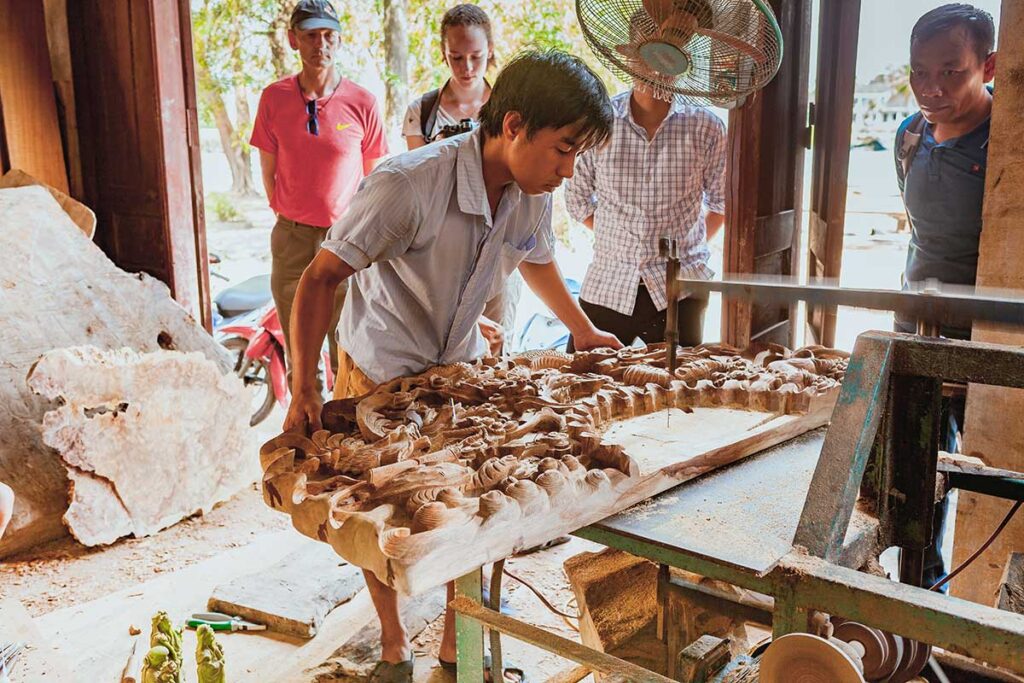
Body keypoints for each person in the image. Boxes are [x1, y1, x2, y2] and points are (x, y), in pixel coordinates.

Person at [284, 50, 619, 683]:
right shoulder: (410, 183)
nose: (569, 170)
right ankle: (392, 644)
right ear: (514, 124)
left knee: (468, 506)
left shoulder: (529, 193)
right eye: (564, 149)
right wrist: (305, 386)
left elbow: (536, 259)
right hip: (379, 371)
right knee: (375, 511)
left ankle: (455, 644)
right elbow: (319, 277)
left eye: (578, 155)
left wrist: (584, 332)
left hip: (457, 376)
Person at [894, 3, 997, 590]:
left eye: (950, 72)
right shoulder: (909, 136)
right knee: (915, 463)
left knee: (985, 469)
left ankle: (976, 590)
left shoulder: (1005, 142)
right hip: (918, 325)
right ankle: (919, 587)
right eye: (919, 72)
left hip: (988, 334)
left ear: (988, 66)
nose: (931, 88)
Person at [250, 0, 388, 386]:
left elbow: (372, 180)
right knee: (299, 345)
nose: (320, 44)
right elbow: (268, 170)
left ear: (339, 41)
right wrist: (287, 212)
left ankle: (344, 433)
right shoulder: (274, 98)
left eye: (328, 36)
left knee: (345, 343)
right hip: (292, 236)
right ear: (294, 40)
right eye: (310, 35)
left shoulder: (362, 102)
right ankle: (301, 427)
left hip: (343, 240)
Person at [564, 75, 726, 351]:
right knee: (581, 380)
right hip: (608, 283)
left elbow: (720, 205)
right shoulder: (601, 123)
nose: (657, 68)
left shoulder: (706, 125)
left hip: (680, 289)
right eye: (648, 52)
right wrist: (618, 238)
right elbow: (577, 201)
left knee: (678, 387)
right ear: (629, 57)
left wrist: (683, 247)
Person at [403, 3, 519, 352]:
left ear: (491, 51)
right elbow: (416, 187)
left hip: (499, 245)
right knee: (444, 352)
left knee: (498, 353)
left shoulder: (511, 107)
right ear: (443, 54)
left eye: (476, 56)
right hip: (444, 253)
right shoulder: (422, 112)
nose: (466, 68)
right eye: (456, 57)